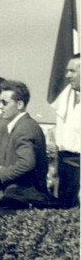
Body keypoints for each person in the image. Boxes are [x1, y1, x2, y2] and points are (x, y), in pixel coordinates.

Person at [0, 80, 51, 210]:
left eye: (5, 103)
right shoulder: (19, 125)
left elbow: (27, 163)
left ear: (19, 104)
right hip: (19, 196)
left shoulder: (25, 127)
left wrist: (1, 172)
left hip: (24, 197)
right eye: (0, 102)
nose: (0, 107)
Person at [49, 54, 80, 208]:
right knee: (63, 210)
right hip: (64, 165)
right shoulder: (66, 95)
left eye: (72, 71)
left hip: (78, 166)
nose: (67, 75)